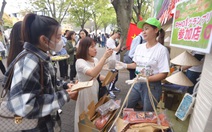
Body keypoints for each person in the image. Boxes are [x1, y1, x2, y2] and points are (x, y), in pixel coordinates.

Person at [4, 13, 77, 132]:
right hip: (36, 127)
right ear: (43, 39)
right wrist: (65, 95)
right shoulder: (31, 61)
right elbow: (28, 106)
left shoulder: (39, 56)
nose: (61, 41)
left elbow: (45, 82)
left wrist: (65, 86)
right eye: (58, 37)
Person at [118, 17, 170, 111]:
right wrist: (124, 65)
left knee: (148, 114)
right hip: (137, 83)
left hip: (152, 86)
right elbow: (135, 64)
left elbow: (164, 73)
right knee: (127, 107)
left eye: (147, 29)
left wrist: (147, 79)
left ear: (156, 30)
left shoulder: (162, 50)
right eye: (143, 30)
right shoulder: (140, 47)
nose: (143, 32)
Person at [74, 37, 113, 132]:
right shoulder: (80, 62)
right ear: (84, 48)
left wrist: (110, 77)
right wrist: (104, 57)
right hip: (85, 90)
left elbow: (97, 76)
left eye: (95, 46)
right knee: (86, 113)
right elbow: (92, 73)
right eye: (92, 46)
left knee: (95, 112)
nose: (95, 48)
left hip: (95, 88)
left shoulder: (95, 60)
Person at [106, 27, 122, 99]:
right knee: (113, 75)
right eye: (119, 35)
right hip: (112, 60)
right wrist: (120, 42)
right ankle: (109, 90)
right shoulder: (110, 41)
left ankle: (113, 87)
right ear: (115, 33)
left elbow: (116, 50)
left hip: (115, 60)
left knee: (116, 75)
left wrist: (121, 49)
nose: (119, 36)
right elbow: (116, 49)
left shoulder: (113, 40)